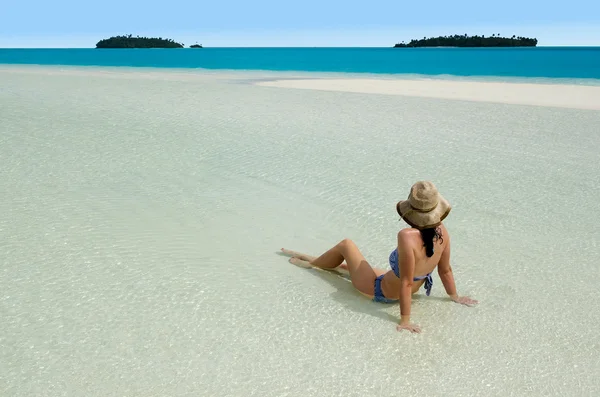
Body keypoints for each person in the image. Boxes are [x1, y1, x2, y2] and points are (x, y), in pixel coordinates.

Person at [281, 181, 478, 333]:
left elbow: (407, 282)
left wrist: (405, 321)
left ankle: (312, 264)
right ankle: (315, 260)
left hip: (381, 291)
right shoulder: (443, 232)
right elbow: (445, 270)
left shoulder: (407, 236)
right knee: (345, 268)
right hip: (395, 286)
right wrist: (455, 297)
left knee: (346, 245)